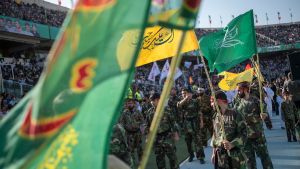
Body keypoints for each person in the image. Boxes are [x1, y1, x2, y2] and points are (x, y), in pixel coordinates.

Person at [234, 81, 273, 169]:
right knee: (249, 160)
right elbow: (235, 115)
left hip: (257, 135)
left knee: (264, 158)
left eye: (239, 90)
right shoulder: (238, 103)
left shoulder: (255, 100)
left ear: (245, 89)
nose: (238, 92)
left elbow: (264, 111)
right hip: (245, 137)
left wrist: (264, 115)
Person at [211, 91, 247, 169]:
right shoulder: (216, 116)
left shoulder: (235, 114)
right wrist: (214, 153)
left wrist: (232, 144)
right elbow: (215, 135)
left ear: (219, 101)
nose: (211, 105)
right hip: (220, 158)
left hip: (234, 157)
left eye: (212, 101)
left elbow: (244, 134)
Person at [145, 93, 179, 169]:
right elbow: (147, 125)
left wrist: (176, 133)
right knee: (159, 159)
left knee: (173, 158)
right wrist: (147, 137)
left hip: (167, 137)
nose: (151, 102)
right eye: (151, 101)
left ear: (157, 100)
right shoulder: (149, 112)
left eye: (152, 101)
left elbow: (173, 122)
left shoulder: (167, 110)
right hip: (156, 139)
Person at [177, 88, 205, 164]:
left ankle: (201, 157)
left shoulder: (195, 101)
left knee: (198, 141)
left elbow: (199, 111)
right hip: (186, 124)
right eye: (182, 93)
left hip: (195, 123)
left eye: (185, 93)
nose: (183, 95)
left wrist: (201, 121)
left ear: (190, 93)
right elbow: (178, 105)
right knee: (188, 142)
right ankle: (191, 155)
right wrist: (185, 98)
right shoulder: (182, 102)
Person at [119, 98, 144, 165]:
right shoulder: (124, 113)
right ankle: (132, 162)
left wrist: (142, 130)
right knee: (130, 150)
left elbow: (142, 121)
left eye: (131, 103)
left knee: (139, 148)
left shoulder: (138, 112)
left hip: (137, 133)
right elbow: (121, 123)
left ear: (134, 104)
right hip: (129, 134)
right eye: (128, 103)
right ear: (126, 104)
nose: (130, 104)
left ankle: (141, 161)